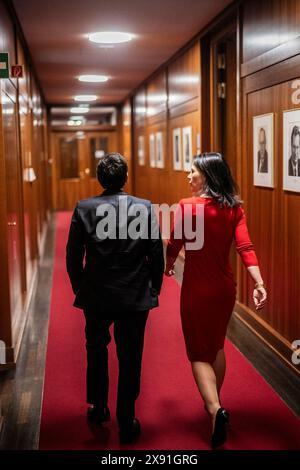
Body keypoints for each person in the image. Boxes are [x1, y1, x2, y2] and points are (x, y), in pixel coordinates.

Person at [165, 152, 267, 449]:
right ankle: (216, 406)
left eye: (192, 172)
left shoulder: (187, 207)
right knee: (217, 344)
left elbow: (175, 242)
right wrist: (259, 282)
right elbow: (245, 247)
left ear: (207, 176)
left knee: (198, 353)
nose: (188, 177)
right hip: (225, 289)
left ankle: (214, 408)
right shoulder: (233, 208)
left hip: (196, 289)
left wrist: (169, 264)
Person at [66, 152, 164, 444]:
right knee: (130, 357)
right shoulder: (143, 207)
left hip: (96, 294)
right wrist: (153, 288)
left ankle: (98, 407)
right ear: (126, 179)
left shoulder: (84, 208)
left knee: (96, 349)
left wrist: (79, 287)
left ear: (100, 179)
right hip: (134, 295)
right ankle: (126, 417)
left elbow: (73, 256)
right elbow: (155, 254)